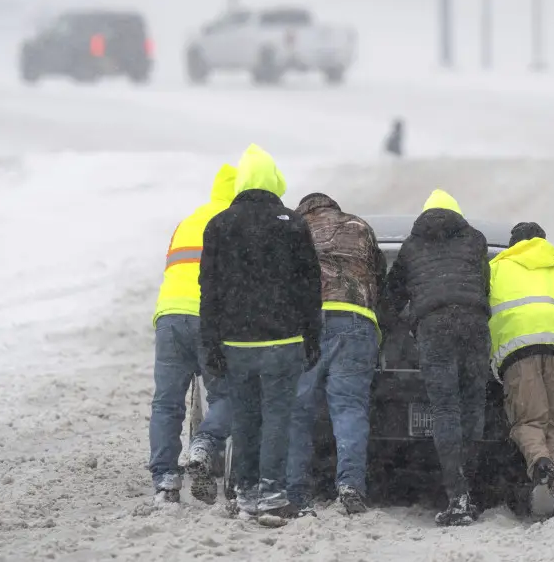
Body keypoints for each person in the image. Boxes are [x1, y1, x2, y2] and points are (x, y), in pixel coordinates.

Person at [199, 144, 322, 517]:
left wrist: (212, 344)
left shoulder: (219, 225)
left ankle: (244, 492)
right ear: (273, 180)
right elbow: (309, 286)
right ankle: (272, 494)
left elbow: (210, 290)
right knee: (277, 419)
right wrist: (312, 335)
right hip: (283, 341)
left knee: (245, 418)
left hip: (236, 342)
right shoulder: (293, 224)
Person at [384, 189, 491, 526]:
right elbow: (485, 285)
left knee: (445, 408)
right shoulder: (475, 240)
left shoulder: (412, 245)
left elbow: (393, 294)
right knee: (473, 404)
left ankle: (456, 495)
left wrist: (397, 324)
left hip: (433, 326)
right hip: (474, 323)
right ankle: (469, 489)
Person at [283, 193, 387, 517]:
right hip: (357, 321)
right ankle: (350, 485)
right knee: (349, 408)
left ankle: (294, 491)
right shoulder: (360, 226)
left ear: (305, 210)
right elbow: (380, 275)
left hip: (311, 322)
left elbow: (286, 279)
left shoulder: (297, 229)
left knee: (298, 410)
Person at [148, 163, 237, 505]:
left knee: (167, 402)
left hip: (169, 315)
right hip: (207, 317)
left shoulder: (187, 221)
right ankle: (204, 445)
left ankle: (165, 481)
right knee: (226, 394)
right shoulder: (231, 223)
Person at [487, 222, 554, 517]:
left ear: (513, 244)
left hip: (519, 349)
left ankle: (540, 462)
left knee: (528, 421)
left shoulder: (498, 267)